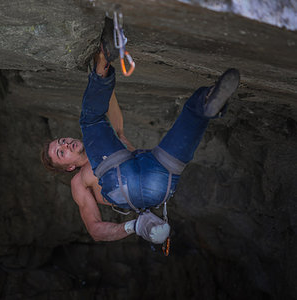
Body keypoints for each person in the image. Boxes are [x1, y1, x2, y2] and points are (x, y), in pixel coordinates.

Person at [41, 19, 240, 243]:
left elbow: (109, 111)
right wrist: (133, 226)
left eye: (62, 141)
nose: (65, 144)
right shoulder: (78, 182)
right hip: (128, 183)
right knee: (89, 119)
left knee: (195, 110)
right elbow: (95, 231)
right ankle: (103, 58)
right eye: (61, 152)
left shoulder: (114, 140)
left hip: (158, 181)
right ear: (68, 166)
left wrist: (103, 84)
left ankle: (207, 103)